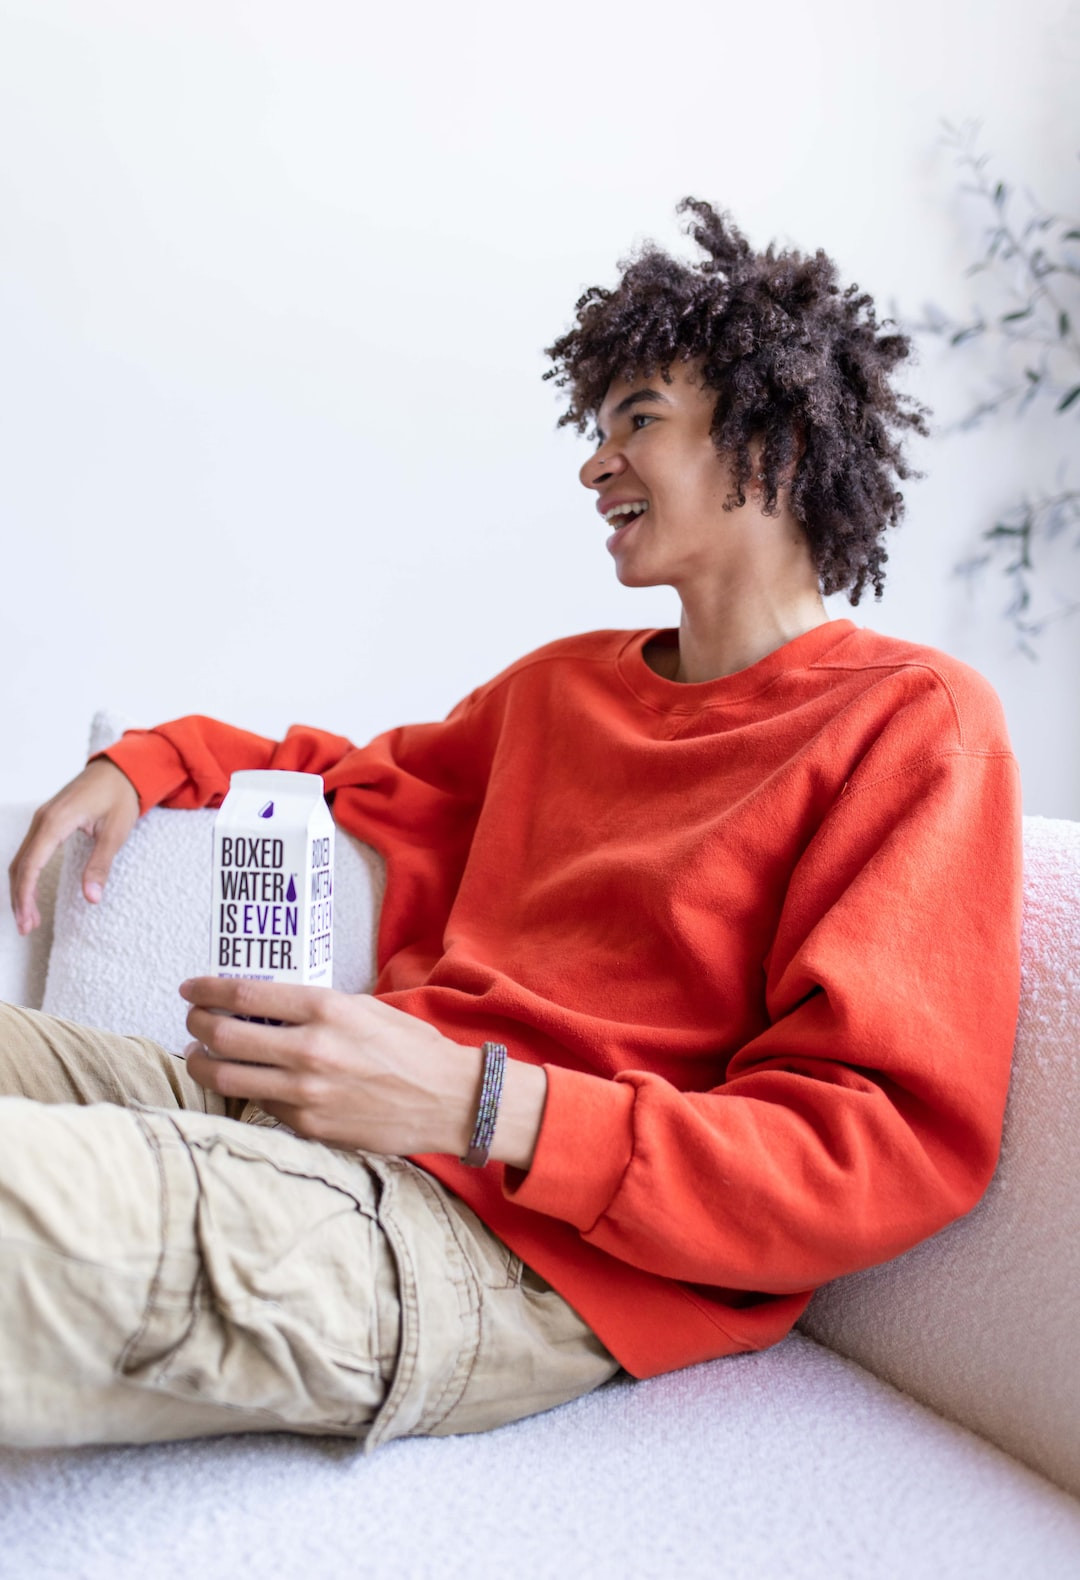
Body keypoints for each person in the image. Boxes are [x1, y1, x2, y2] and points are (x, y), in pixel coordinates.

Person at [3, 197, 1023, 1453]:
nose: (596, 466)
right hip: (304, 1125)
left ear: (779, 435)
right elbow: (354, 778)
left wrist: (484, 1103)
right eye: (595, 431)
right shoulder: (560, 688)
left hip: (514, 1253)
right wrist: (149, 758)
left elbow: (874, 1148)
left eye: (637, 420)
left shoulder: (915, 724)